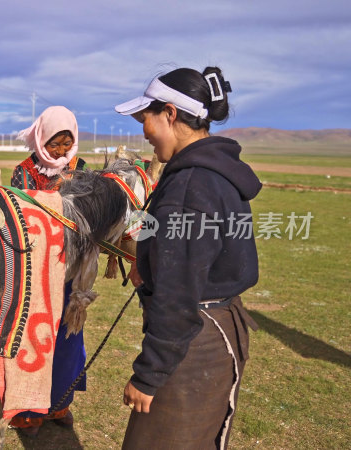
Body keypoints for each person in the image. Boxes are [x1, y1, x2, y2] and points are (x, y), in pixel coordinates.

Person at [114, 66, 260, 449]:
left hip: (192, 344)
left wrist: (149, 376)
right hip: (215, 329)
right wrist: (145, 256)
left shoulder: (190, 185)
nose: (144, 132)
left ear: (170, 114)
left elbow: (179, 293)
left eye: (146, 118)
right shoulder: (215, 173)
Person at [8, 105, 86, 437]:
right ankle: (27, 410)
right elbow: (17, 217)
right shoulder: (22, 172)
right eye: (55, 143)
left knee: (67, 337)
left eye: (67, 144)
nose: (61, 151)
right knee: (33, 338)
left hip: (69, 267)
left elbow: (88, 210)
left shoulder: (79, 170)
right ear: (42, 138)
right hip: (34, 270)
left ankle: (59, 403)